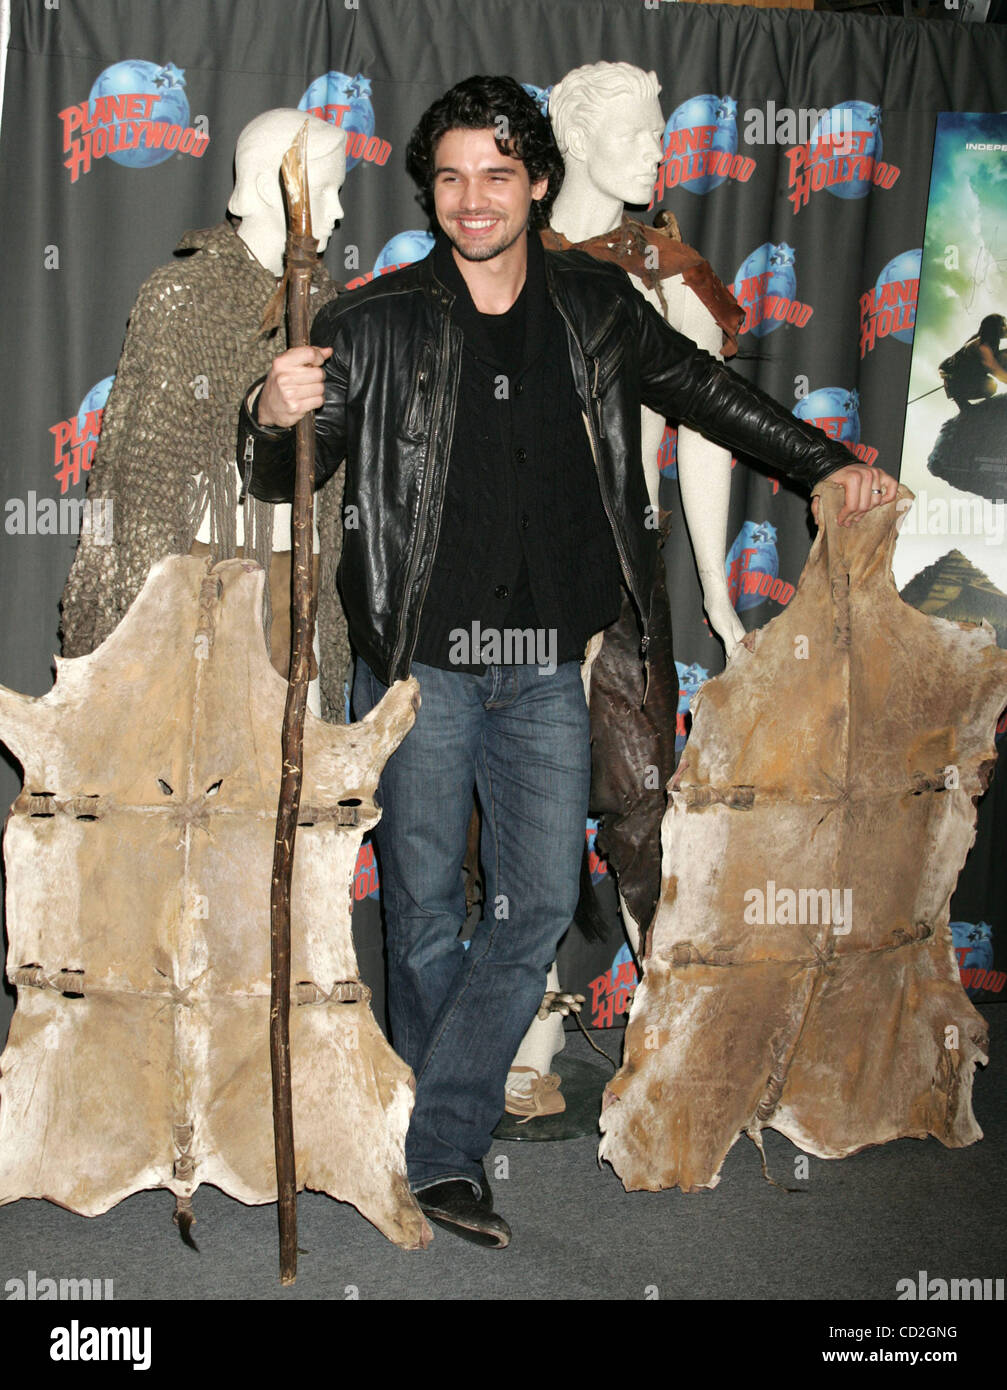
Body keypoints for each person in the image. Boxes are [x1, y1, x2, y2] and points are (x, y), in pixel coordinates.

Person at [237, 74, 897, 1249]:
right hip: (419, 668)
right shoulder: (369, 318)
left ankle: (425, 1116)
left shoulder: (597, 303)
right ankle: (444, 1152)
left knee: (538, 901)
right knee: (427, 908)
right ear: (429, 189)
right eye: (448, 176)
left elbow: (704, 390)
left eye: (496, 174)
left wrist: (822, 460)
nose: (471, 198)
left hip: (547, 664)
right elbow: (290, 460)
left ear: (536, 181)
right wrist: (270, 412)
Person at [61, 109, 351, 717]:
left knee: (287, 767)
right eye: (323, 191)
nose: (337, 213)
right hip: (205, 578)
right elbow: (145, 473)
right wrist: (133, 623)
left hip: (298, 574)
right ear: (271, 190)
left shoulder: (332, 306)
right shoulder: (180, 295)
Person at [940, 314, 1007, 410]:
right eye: (1003, 325)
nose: (1006, 327)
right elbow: (995, 370)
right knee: (990, 386)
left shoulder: (987, 341)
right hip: (956, 382)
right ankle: (960, 398)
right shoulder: (981, 346)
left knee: (1004, 356)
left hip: (971, 374)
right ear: (994, 328)